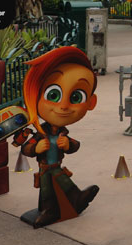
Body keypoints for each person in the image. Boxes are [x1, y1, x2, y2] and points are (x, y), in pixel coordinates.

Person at [18, 47, 100, 228]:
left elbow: (75, 145)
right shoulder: (40, 133)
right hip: (46, 167)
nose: (63, 106)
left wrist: (68, 144)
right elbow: (26, 147)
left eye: (76, 97)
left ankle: (73, 200)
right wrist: (35, 148)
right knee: (48, 186)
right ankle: (51, 209)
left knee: (59, 178)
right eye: (53, 95)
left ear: (91, 102)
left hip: (55, 166)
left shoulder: (63, 133)